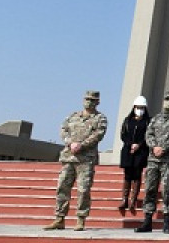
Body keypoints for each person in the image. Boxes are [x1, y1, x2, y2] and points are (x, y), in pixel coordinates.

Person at [43, 90, 108, 232]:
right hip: (69, 157)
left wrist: (81, 145)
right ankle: (59, 218)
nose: (89, 102)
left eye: (92, 100)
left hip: (86, 159)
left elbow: (98, 135)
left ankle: (80, 219)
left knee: (83, 190)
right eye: (87, 99)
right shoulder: (72, 116)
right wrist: (70, 143)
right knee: (62, 188)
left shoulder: (100, 118)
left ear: (97, 102)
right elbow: (63, 130)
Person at [135, 91, 169, 234]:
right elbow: (149, 134)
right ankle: (147, 221)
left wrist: (163, 148)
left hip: (168, 161)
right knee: (150, 189)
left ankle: (166, 222)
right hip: (153, 159)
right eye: (167, 99)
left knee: (167, 191)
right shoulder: (155, 118)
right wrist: (154, 147)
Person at [118, 95, 150, 211]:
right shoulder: (127, 121)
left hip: (141, 151)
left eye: (142, 108)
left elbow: (148, 136)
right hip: (128, 150)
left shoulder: (148, 122)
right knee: (127, 175)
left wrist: (139, 145)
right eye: (138, 107)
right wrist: (130, 144)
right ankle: (124, 199)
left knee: (137, 175)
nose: (140, 110)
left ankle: (133, 200)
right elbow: (123, 135)